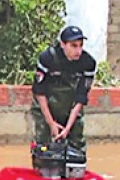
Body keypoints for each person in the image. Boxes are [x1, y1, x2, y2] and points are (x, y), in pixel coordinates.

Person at [31, 25, 97, 153]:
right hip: (46, 106)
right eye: (73, 46)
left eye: (80, 45)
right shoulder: (48, 58)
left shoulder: (88, 63)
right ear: (62, 44)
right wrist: (51, 123)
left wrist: (67, 128)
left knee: (76, 144)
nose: (78, 51)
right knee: (44, 146)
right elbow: (39, 93)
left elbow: (81, 97)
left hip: (71, 107)